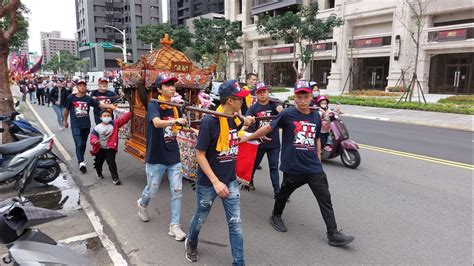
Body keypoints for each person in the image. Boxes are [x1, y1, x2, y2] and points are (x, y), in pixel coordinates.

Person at [240, 80, 355, 247]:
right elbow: (268, 128)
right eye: (299, 96)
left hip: (313, 167)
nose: (302, 100)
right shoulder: (288, 114)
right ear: (294, 97)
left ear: (310, 97)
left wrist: (318, 159)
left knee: (325, 198)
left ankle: (333, 233)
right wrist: (249, 137)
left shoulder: (315, 115)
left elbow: (316, 139)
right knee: (283, 193)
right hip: (293, 166)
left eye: (306, 96)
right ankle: (276, 216)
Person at [185, 80, 254, 265]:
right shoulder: (210, 121)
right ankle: (191, 241)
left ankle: (239, 262)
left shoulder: (235, 118)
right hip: (209, 182)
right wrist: (216, 182)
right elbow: (199, 155)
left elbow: (238, 134)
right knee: (200, 216)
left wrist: (251, 129)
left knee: (235, 223)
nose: (243, 102)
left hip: (230, 180)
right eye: (240, 99)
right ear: (230, 101)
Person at [136, 74, 187, 242]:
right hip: (156, 155)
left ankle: (175, 226)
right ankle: (142, 204)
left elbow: (178, 128)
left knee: (177, 191)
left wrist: (186, 125)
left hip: (173, 155)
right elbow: (157, 123)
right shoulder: (154, 104)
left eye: (173, 85)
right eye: (167, 85)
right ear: (159, 89)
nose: (172, 88)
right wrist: (175, 121)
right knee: (152, 188)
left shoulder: (175, 106)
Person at [63, 79, 116, 173]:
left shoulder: (88, 99)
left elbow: (99, 105)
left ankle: (81, 159)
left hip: (86, 125)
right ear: (77, 87)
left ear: (86, 87)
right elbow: (66, 110)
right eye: (80, 85)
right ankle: (81, 162)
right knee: (79, 144)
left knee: (83, 144)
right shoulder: (71, 98)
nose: (82, 87)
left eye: (84, 85)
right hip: (76, 125)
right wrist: (65, 121)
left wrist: (110, 106)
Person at [244, 82, 283, 195]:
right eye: (259, 92)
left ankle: (277, 191)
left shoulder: (274, 104)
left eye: (264, 91)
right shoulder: (253, 108)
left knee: (274, 166)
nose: (262, 94)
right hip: (259, 143)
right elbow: (247, 125)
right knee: (254, 164)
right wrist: (258, 134)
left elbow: (280, 107)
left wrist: (280, 109)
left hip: (274, 143)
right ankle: (249, 181)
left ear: (267, 92)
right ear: (256, 94)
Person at [89, 109, 131, 185]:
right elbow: (93, 137)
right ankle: (99, 173)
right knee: (98, 163)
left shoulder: (115, 124)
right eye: (104, 116)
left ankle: (115, 178)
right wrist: (95, 141)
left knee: (111, 163)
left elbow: (124, 119)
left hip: (110, 149)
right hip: (100, 148)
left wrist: (132, 111)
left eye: (108, 116)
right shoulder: (97, 128)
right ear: (101, 117)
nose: (107, 117)